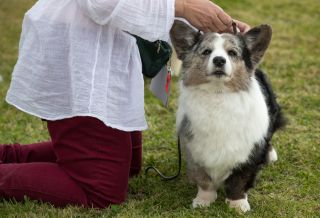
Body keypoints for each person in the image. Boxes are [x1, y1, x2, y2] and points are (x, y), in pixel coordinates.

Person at [0, 0, 250, 208]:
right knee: (101, 189)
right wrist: (183, 7)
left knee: (129, 164)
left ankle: (7, 156)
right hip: (78, 46)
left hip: (104, 44)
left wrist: (212, 23)